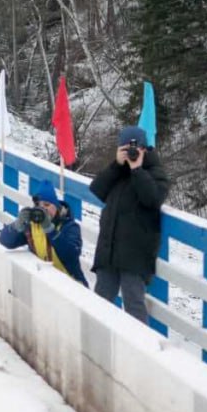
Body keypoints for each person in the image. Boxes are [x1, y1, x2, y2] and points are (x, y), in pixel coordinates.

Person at [89, 124, 170, 323]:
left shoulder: (155, 171)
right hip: (109, 249)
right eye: (126, 148)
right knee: (100, 301)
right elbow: (97, 189)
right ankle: (98, 346)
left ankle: (140, 350)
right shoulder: (117, 172)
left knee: (134, 304)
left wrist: (137, 170)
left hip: (136, 254)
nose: (132, 152)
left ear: (145, 148)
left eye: (136, 148)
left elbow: (152, 198)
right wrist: (116, 164)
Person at [0, 180, 88, 286]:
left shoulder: (69, 226)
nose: (44, 209)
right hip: (44, 282)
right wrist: (17, 225)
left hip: (70, 283)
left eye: (47, 205)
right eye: (39, 205)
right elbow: (5, 241)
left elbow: (71, 254)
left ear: (56, 206)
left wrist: (50, 230)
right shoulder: (32, 226)